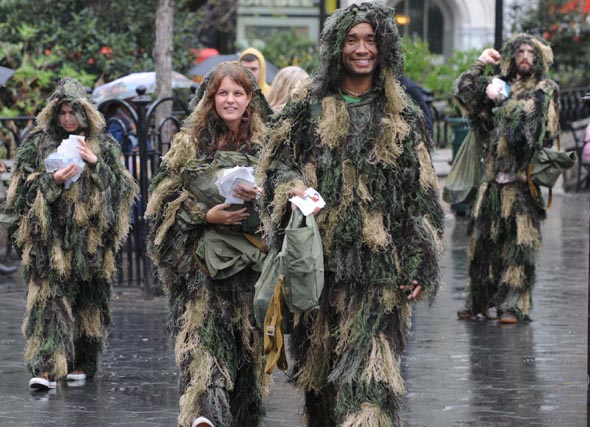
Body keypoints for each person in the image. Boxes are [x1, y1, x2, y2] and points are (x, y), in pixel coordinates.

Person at [257, 2, 444, 425]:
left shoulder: (403, 112)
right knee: (320, 384)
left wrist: (420, 259)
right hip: (316, 265)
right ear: (337, 46)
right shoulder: (307, 106)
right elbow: (273, 164)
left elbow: (424, 194)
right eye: (352, 39)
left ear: (384, 47)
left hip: (381, 269)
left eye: (371, 40)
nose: (361, 49)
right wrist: (293, 187)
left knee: (371, 381)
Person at [146, 62, 272, 427]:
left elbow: (288, 191)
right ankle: (204, 415)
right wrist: (206, 215)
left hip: (251, 269)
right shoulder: (190, 142)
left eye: (238, 93)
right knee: (204, 349)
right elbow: (163, 198)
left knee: (247, 360)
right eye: (223, 93)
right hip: (202, 269)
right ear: (211, 97)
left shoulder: (267, 143)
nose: (230, 100)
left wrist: (262, 195)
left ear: (250, 98)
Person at [5, 77, 138, 390]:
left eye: (74, 112)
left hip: (91, 242)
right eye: (62, 112)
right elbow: (20, 194)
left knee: (88, 303)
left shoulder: (103, 146)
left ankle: (82, 361)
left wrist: (95, 165)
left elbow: (122, 191)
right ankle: (48, 367)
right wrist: (52, 182)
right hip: (49, 240)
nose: (68, 118)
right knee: (48, 300)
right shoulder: (36, 145)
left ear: (87, 113)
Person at [452, 34, 560, 323]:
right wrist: (480, 65)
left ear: (538, 59)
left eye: (531, 52)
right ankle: (479, 301)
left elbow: (531, 130)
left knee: (519, 248)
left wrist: (503, 101)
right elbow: (464, 94)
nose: (525, 56)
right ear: (512, 56)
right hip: (491, 184)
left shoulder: (544, 89)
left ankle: (514, 305)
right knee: (482, 245)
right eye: (520, 51)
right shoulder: (499, 85)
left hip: (522, 184)